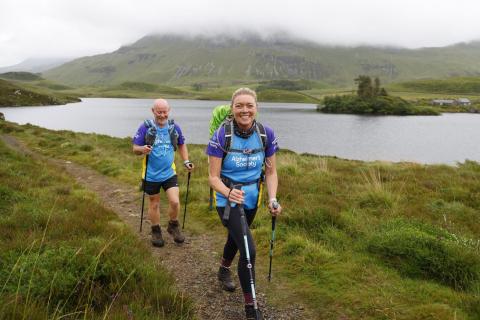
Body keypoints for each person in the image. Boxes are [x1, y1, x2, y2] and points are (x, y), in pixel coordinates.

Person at [206, 88, 282, 319]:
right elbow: (212, 178)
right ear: (232, 108)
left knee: (237, 238)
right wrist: (228, 193)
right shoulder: (221, 136)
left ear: (256, 108)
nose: (245, 110)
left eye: (249, 105)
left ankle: (223, 269)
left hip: (252, 199)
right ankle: (251, 307)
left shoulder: (265, 134)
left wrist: (272, 198)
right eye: (239, 105)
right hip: (226, 199)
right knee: (248, 249)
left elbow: (271, 173)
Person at [133, 98, 194, 247]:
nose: (162, 115)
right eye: (159, 112)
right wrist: (142, 149)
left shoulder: (174, 128)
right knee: (154, 203)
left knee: (175, 202)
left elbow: (181, 144)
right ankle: (156, 230)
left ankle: (173, 225)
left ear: (169, 111)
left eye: (164, 111)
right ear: (153, 111)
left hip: (169, 173)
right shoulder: (145, 127)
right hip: (151, 174)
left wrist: (186, 161)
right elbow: (135, 148)